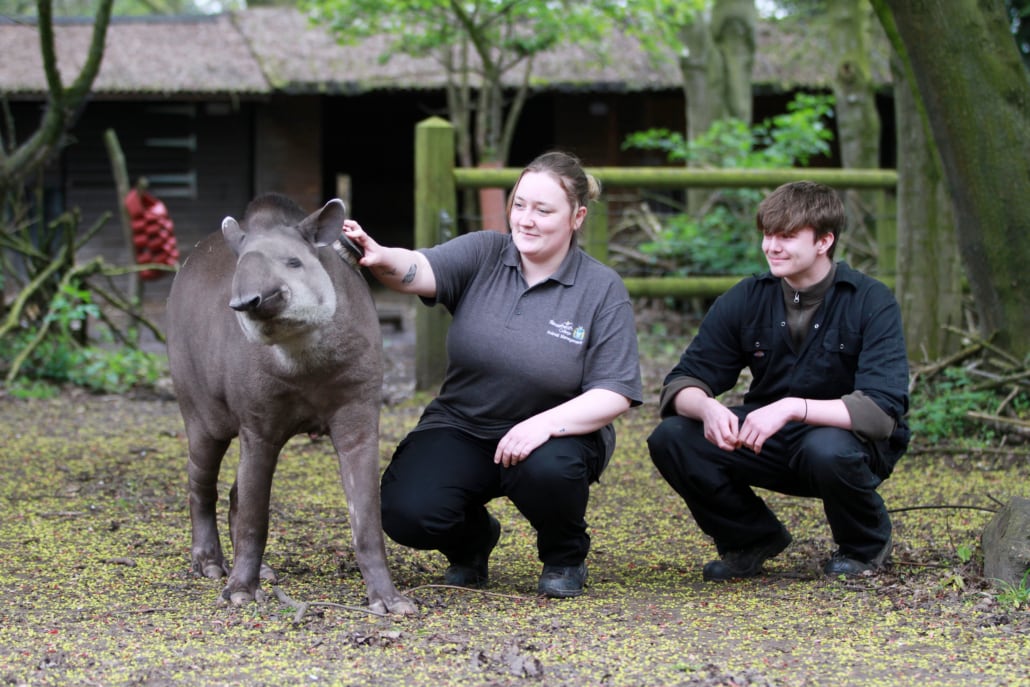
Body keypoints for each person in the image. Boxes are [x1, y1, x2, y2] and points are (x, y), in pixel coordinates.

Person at [341, 151, 643, 598]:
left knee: (550, 470)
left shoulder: (601, 290)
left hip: (558, 436)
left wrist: (541, 426)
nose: (526, 219)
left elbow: (615, 392)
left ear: (576, 217)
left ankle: (564, 556)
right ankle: (473, 541)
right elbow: (417, 270)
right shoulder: (485, 253)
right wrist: (380, 254)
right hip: (464, 423)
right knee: (406, 510)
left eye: (543, 210)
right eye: (519, 204)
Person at [647, 181, 910, 581]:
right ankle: (750, 539)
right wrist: (706, 406)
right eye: (768, 235)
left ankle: (863, 546)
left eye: (787, 237)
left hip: (847, 446)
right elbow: (679, 383)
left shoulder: (870, 301)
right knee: (673, 437)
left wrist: (791, 408)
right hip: (766, 441)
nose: (772, 246)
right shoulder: (747, 297)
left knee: (828, 448)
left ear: (824, 241)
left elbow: (880, 414)